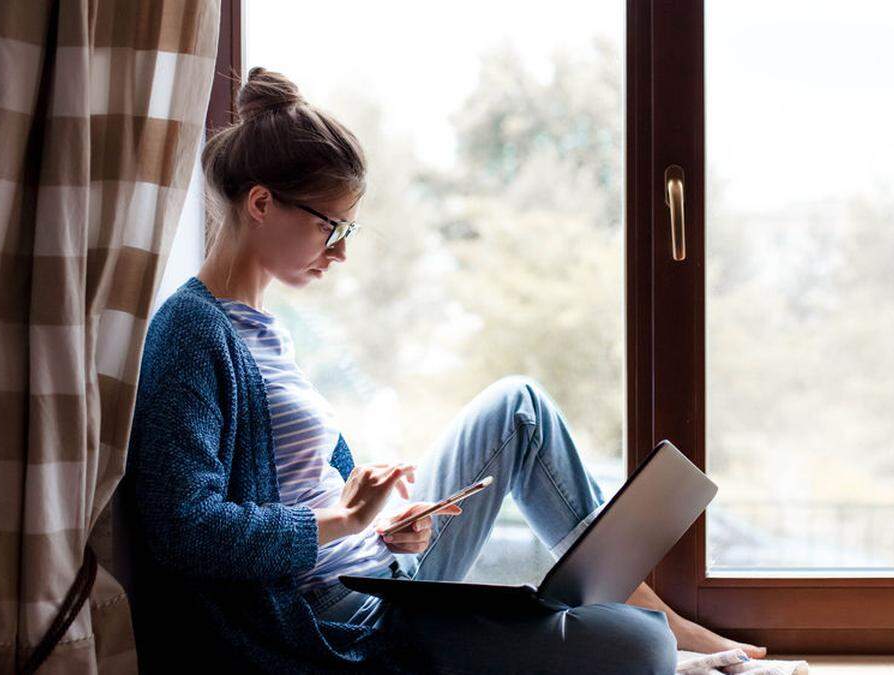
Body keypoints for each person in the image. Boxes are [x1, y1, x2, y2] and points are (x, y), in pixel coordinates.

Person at [125, 65, 767, 673]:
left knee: (520, 407)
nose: (340, 253)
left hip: (375, 573)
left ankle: (653, 612)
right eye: (332, 228)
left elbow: (309, 489)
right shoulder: (191, 330)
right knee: (636, 652)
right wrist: (347, 522)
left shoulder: (266, 331)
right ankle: (649, 629)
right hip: (334, 617)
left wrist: (382, 527)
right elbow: (182, 530)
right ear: (261, 203)